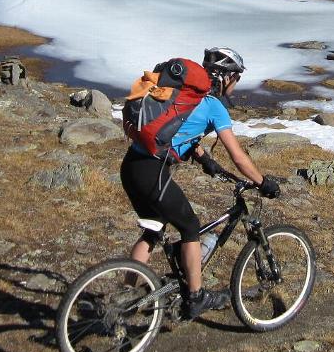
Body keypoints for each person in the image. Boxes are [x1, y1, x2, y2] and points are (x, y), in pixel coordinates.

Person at [119, 46, 281, 320]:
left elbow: (181, 132)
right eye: (236, 78)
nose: (236, 84)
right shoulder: (214, 107)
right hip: (153, 172)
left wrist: (205, 159)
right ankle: (196, 297)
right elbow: (238, 157)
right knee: (190, 226)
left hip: (132, 166)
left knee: (153, 230)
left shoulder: (187, 98)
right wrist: (263, 182)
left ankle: (124, 298)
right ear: (226, 78)